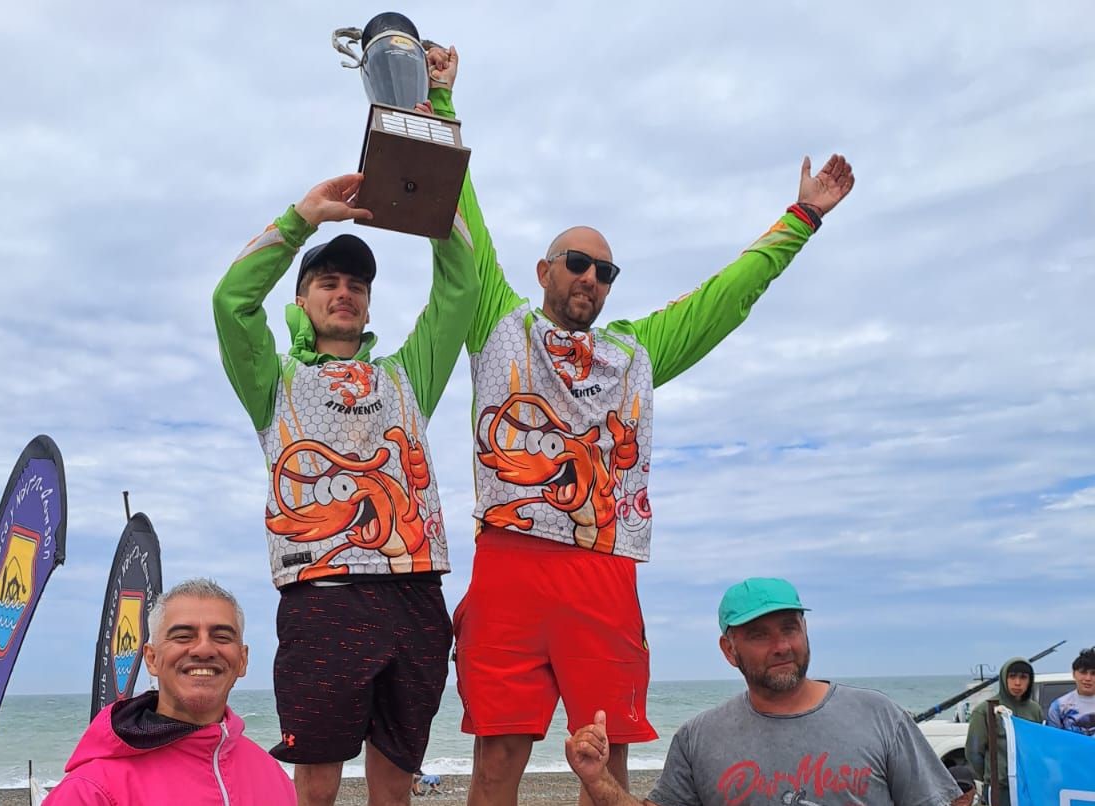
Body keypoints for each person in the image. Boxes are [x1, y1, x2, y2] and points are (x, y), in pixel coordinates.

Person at [423, 45, 856, 806]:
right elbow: (460, 220)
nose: (591, 278)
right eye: (577, 263)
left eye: (605, 272)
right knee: (496, 760)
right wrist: (440, 104)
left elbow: (726, 296)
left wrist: (804, 217)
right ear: (543, 271)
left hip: (604, 566)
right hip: (509, 561)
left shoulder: (637, 354)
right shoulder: (497, 323)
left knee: (605, 762)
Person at [212, 169, 478, 806]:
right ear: (302, 299)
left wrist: (430, 196)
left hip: (415, 591)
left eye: (357, 285)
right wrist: (302, 219)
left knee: (395, 784)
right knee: (317, 784)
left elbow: (460, 289)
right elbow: (231, 302)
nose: (344, 293)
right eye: (328, 282)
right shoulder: (271, 380)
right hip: (322, 594)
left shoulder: (408, 374)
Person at [564, 577, 960, 806]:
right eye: (759, 635)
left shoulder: (879, 715)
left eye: (790, 628)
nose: (782, 646)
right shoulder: (698, 737)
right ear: (728, 650)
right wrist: (598, 779)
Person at [48, 579, 296, 805]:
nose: (204, 649)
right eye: (183, 636)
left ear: (242, 660)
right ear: (152, 658)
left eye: (221, 637)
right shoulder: (91, 791)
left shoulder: (272, 775)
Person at [965, 658, 1042, 806]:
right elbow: (973, 752)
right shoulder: (984, 710)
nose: (1017, 683)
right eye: (1012, 676)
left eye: (1023, 677)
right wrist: (991, 776)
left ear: (1030, 680)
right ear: (1003, 678)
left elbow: (1037, 746)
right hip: (999, 787)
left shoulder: (1035, 710)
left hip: (1027, 785)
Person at [1046, 646, 1095, 735]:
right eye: (1083, 672)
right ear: (1073, 674)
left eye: (1093, 673)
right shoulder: (1059, 706)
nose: (1088, 678)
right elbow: (1052, 738)